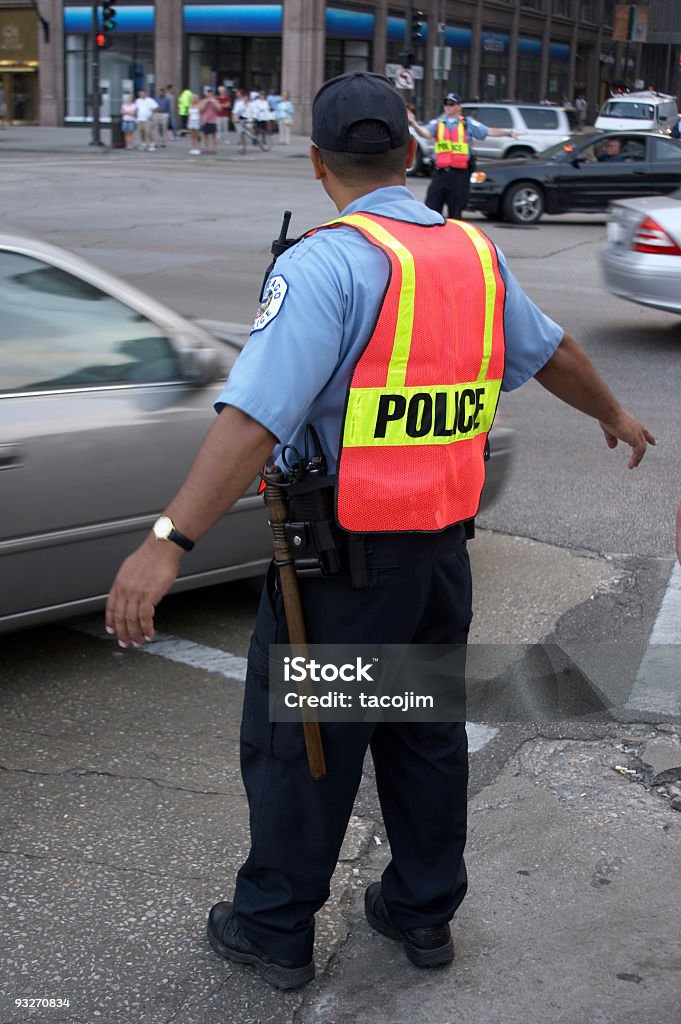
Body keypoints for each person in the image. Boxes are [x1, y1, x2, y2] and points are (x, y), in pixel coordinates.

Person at [106, 71, 655, 993]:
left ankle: (273, 928)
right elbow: (550, 350)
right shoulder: (473, 256)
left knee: (305, 749)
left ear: (318, 162)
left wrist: (166, 541)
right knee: (421, 735)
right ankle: (420, 911)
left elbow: (252, 420)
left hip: (341, 567)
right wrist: (613, 414)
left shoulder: (324, 263)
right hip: (438, 557)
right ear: (411, 153)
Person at [409, 93, 520, 219]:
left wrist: (509, 133)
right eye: (446, 103)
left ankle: (455, 237)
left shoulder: (467, 123)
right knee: (431, 210)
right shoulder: (438, 123)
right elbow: (425, 134)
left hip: (459, 175)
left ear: (458, 107)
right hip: (440, 173)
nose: (448, 106)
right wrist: (414, 123)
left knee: (456, 212)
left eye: (451, 104)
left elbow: (488, 131)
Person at [200, 88, 219, 153]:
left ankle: (214, 149)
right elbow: (201, 110)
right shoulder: (203, 101)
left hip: (213, 120)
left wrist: (213, 103)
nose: (209, 95)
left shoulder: (215, 101)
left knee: (214, 135)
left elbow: (219, 109)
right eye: (208, 93)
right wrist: (206, 103)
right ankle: (206, 149)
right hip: (205, 120)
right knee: (206, 135)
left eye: (210, 93)